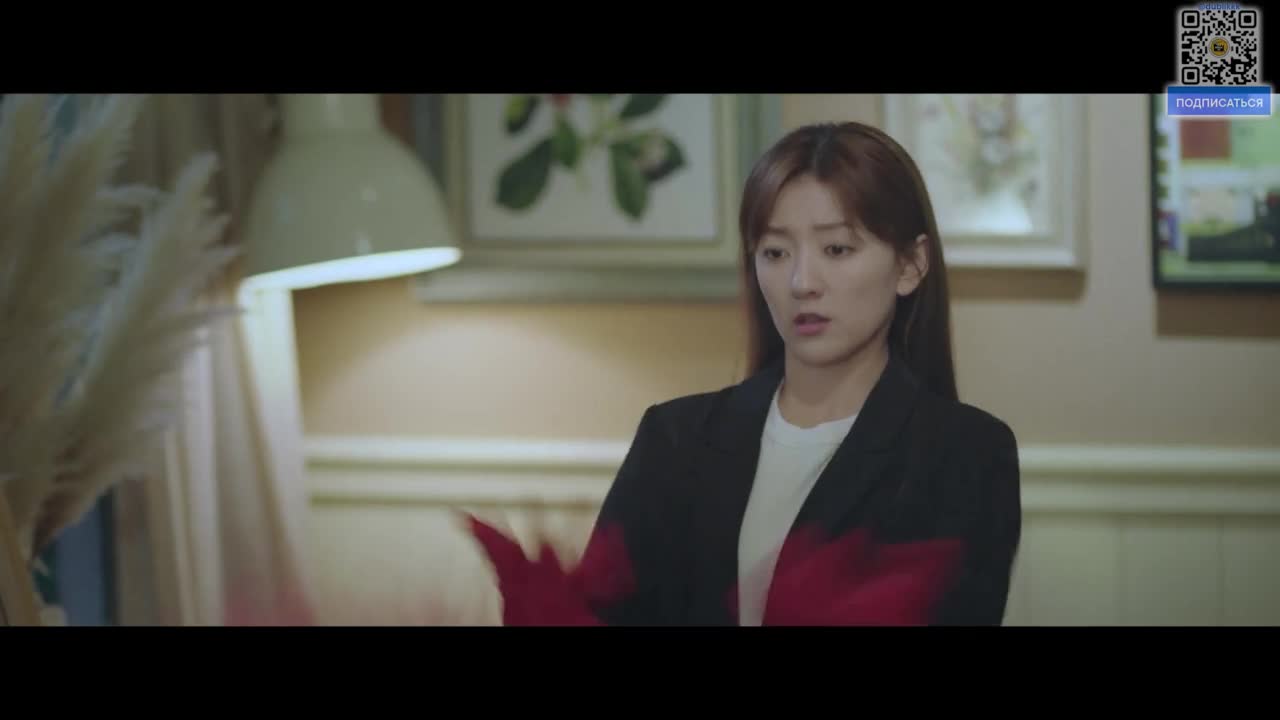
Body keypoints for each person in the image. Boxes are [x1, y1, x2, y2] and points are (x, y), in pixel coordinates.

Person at [474, 121, 1023, 627]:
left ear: (910, 265)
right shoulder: (673, 439)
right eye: (775, 253)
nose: (802, 282)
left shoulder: (967, 455)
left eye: (836, 249)